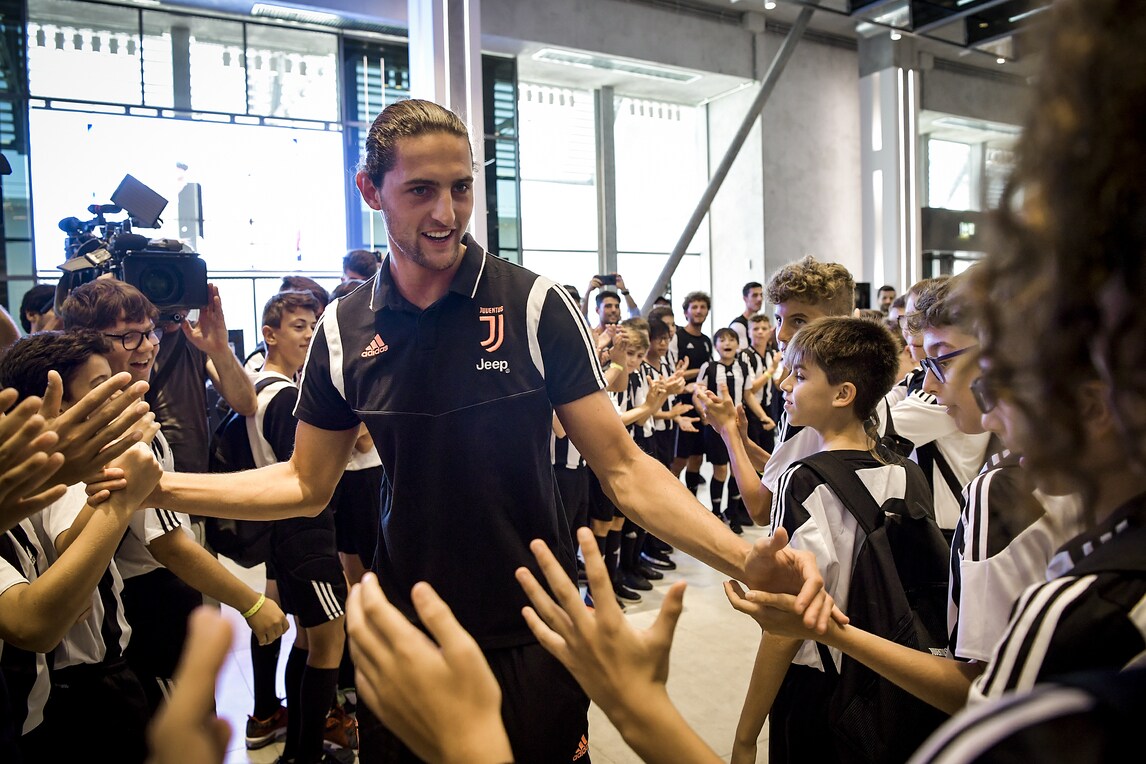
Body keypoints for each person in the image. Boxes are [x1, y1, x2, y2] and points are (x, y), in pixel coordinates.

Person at [146, 98, 836, 764]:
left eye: (461, 188)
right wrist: (160, 489)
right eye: (420, 190)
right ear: (371, 191)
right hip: (409, 639)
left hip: (536, 629)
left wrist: (743, 559)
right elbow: (304, 482)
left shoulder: (534, 304)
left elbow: (623, 468)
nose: (446, 214)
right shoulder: (343, 329)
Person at [707, 317, 937, 763]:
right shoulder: (906, 471)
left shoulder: (803, 480)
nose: (785, 384)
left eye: (799, 375)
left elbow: (785, 627)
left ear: (843, 393)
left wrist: (745, 737)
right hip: (892, 668)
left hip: (822, 685)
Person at [728, 281, 763, 349]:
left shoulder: (763, 323)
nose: (760, 299)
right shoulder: (738, 325)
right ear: (745, 298)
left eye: (761, 295)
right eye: (754, 295)